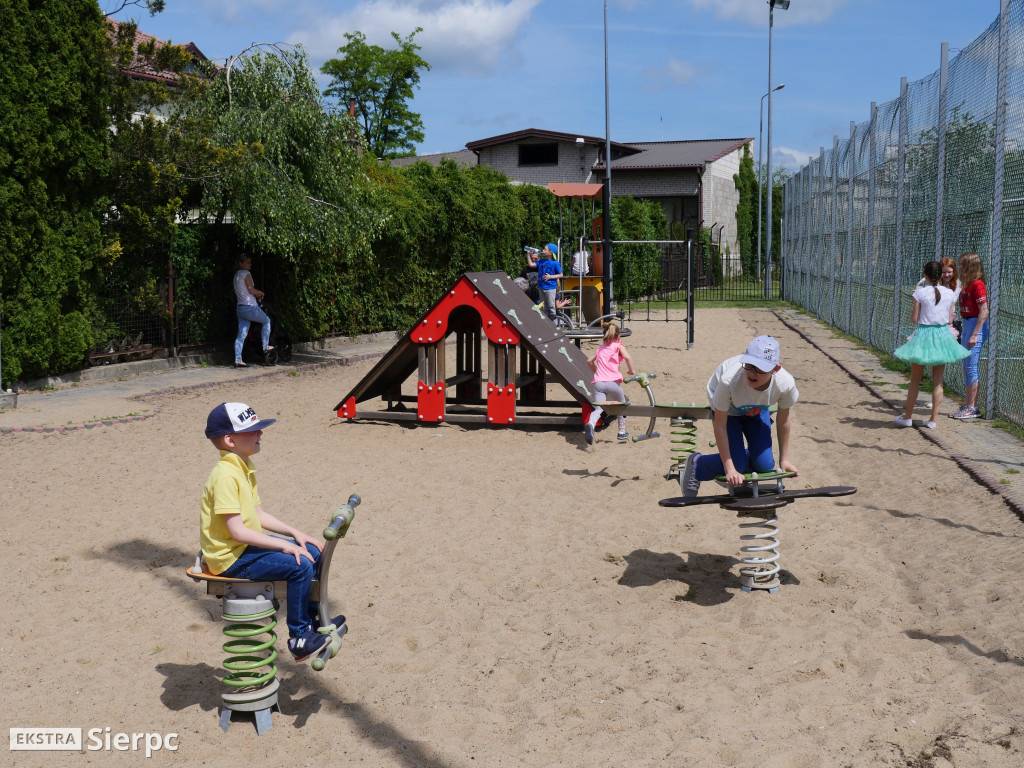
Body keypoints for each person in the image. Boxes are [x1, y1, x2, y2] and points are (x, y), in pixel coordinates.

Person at [199, 402, 343, 661]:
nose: (260, 434)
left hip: (243, 547)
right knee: (298, 565)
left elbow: (259, 514)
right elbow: (237, 532)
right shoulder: (225, 475)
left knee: (311, 550)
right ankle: (299, 637)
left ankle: (313, 621)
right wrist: (284, 546)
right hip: (230, 557)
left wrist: (294, 534)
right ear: (230, 439)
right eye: (253, 430)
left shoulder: (243, 466)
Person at [680, 335, 799, 497]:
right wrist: (730, 469)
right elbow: (720, 426)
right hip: (728, 409)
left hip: (756, 408)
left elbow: (783, 420)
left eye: (761, 369)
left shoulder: (785, 383)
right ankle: (697, 464)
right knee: (737, 465)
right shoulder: (729, 380)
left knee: (765, 465)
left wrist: (784, 460)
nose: (752, 373)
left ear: (775, 369)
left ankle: (739, 457)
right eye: (749, 365)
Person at [893, 261, 970, 429]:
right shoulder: (949, 293)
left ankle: (907, 417)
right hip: (942, 336)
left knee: (915, 380)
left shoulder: (920, 293)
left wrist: (918, 302)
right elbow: (950, 319)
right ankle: (933, 420)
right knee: (938, 382)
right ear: (941, 275)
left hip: (924, 335)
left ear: (926, 276)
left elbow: (914, 319)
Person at [951, 252, 989, 420]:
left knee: (971, 367)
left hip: (975, 325)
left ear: (971, 266)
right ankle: (968, 404)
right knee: (967, 367)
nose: (960, 267)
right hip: (966, 323)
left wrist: (975, 334)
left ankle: (973, 407)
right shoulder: (966, 284)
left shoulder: (978, 284)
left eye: (963, 264)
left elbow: (984, 310)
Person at [584, 321, 635, 444]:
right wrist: (631, 371)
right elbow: (628, 357)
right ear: (618, 337)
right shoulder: (618, 346)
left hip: (599, 383)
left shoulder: (600, 348)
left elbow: (589, 361)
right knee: (621, 407)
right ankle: (621, 432)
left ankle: (591, 424)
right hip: (613, 383)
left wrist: (597, 372)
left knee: (599, 408)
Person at [233, 255, 274, 368]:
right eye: (247, 262)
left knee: (241, 335)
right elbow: (251, 290)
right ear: (241, 263)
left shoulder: (236, 275)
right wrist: (260, 293)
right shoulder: (246, 274)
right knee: (266, 321)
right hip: (250, 307)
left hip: (240, 308)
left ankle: (238, 359)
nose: (250, 264)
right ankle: (265, 346)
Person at [527, 243, 563, 321]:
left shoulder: (555, 263)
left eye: (545, 249)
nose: (542, 250)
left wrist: (551, 277)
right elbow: (531, 265)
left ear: (550, 253)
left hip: (550, 288)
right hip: (541, 287)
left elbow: (561, 275)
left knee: (551, 305)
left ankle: (553, 321)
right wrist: (528, 255)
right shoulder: (542, 261)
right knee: (543, 306)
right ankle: (545, 321)